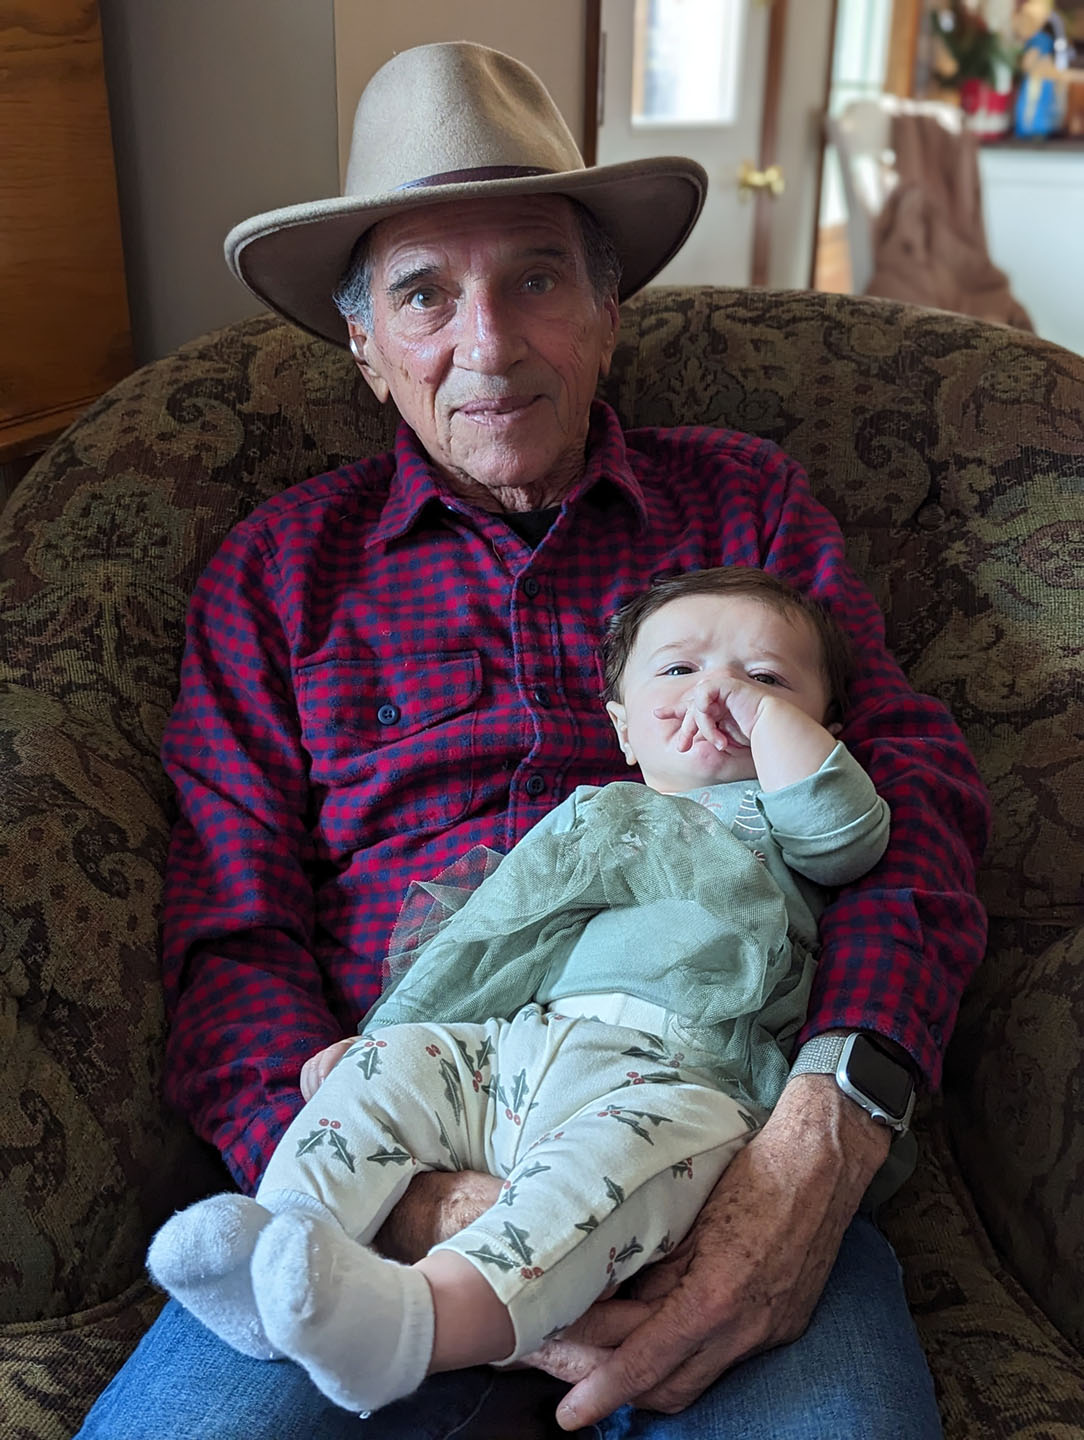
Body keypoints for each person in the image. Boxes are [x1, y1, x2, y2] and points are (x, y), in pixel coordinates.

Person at [75, 40, 989, 1440]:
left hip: (717, 1147)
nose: (488, 345)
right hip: (392, 1177)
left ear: (609, 314)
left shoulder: (743, 509)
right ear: (367, 350)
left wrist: (829, 1122)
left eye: (537, 281)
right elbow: (231, 938)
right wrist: (432, 1206)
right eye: (424, 295)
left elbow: (909, 803)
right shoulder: (278, 572)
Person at [144, 565, 892, 1418]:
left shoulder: (789, 821)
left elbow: (847, 831)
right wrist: (388, 1035)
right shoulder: (592, 816)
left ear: (826, 733)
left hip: (681, 1079)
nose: (717, 692)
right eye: (679, 670)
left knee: (599, 1178)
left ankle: (411, 1325)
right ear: (622, 728)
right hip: (522, 1047)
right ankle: (284, 1243)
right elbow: (488, 940)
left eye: (764, 678)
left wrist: (772, 728)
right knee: (390, 1069)